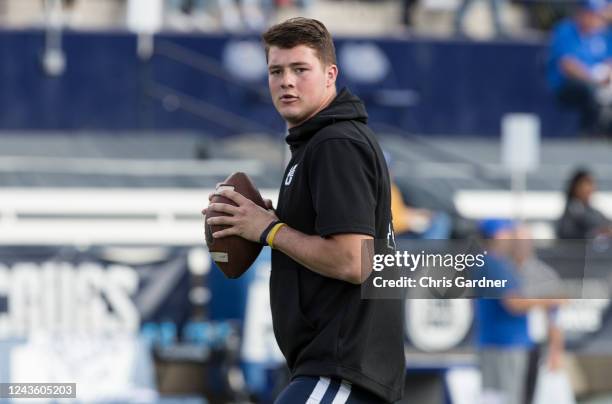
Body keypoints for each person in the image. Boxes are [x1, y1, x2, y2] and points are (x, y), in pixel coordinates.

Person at [204, 18, 405, 403]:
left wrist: (270, 230)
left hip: (341, 370)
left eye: (300, 69)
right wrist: (269, 224)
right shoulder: (320, 142)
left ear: (330, 74)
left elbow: (353, 261)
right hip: (337, 370)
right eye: (276, 71)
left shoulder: (335, 143)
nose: (286, 81)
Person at [476, 219, 565, 404]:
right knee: (508, 397)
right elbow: (513, 303)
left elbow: (555, 317)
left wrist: (556, 351)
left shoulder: (536, 272)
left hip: (518, 343)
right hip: (506, 343)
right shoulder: (496, 264)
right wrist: (549, 300)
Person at [547, 0, 612, 136]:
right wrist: (593, 80)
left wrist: (606, 74)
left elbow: (608, 60)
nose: (594, 18)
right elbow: (568, 65)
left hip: (599, 81)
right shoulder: (566, 30)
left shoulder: (603, 33)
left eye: (596, 14)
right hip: (568, 84)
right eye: (590, 13)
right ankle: (589, 132)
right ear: (581, 13)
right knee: (590, 90)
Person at [557, 168, 612, 239]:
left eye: (592, 184)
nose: (591, 188)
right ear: (576, 187)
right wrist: (598, 233)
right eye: (587, 184)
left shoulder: (593, 211)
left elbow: (605, 222)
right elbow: (567, 236)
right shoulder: (571, 212)